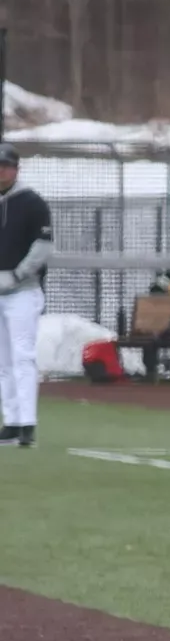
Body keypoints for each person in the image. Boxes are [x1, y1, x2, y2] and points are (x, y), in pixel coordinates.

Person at [0, 142, 53, 450]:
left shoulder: (32, 202)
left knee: (23, 356)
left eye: (6, 166)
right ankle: (11, 421)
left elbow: (43, 246)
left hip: (22, 291)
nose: (2, 171)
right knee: (3, 360)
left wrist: (18, 274)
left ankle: (27, 424)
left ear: (16, 169)